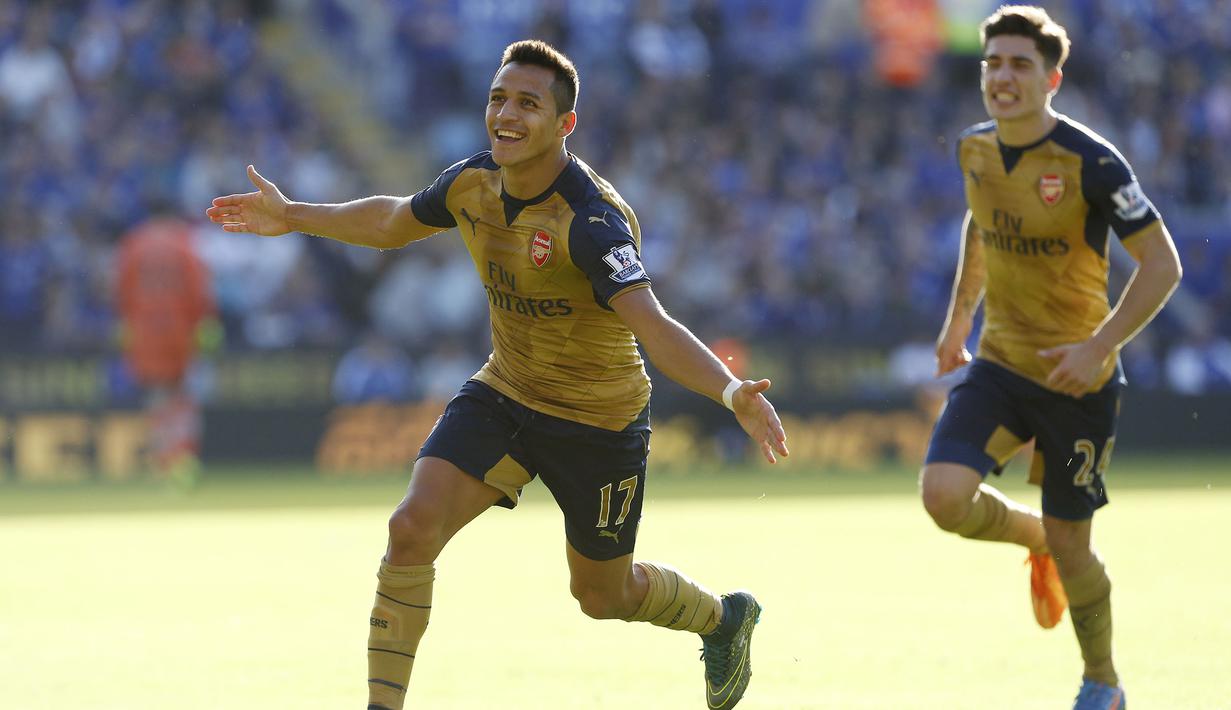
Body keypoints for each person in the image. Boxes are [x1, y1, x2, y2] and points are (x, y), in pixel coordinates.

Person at [206, 40, 788, 710]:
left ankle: (724, 619)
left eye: (527, 104)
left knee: (602, 595)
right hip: (506, 391)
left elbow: (651, 324)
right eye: (498, 99)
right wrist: (292, 216)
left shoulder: (592, 222)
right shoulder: (472, 182)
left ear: (565, 124)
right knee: (410, 528)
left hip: (597, 419)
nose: (506, 115)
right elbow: (393, 221)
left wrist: (730, 392)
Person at [919, 7, 1182, 710]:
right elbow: (981, 225)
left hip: (1077, 379)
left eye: (1019, 64)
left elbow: (1162, 264)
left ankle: (1102, 681)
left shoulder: (1091, 162)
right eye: (993, 63)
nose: (1002, 77)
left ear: (1051, 80)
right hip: (1001, 365)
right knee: (942, 496)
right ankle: (1034, 536)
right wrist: (958, 319)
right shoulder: (974, 149)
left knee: (1076, 548)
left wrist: (1100, 346)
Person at [115, 211, 217, 477]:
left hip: (145, 332)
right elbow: (199, 291)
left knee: (157, 396)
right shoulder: (186, 243)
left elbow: (122, 292)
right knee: (183, 396)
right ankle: (184, 458)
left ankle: (163, 459)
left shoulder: (134, 243)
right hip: (179, 331)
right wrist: (203, 326)